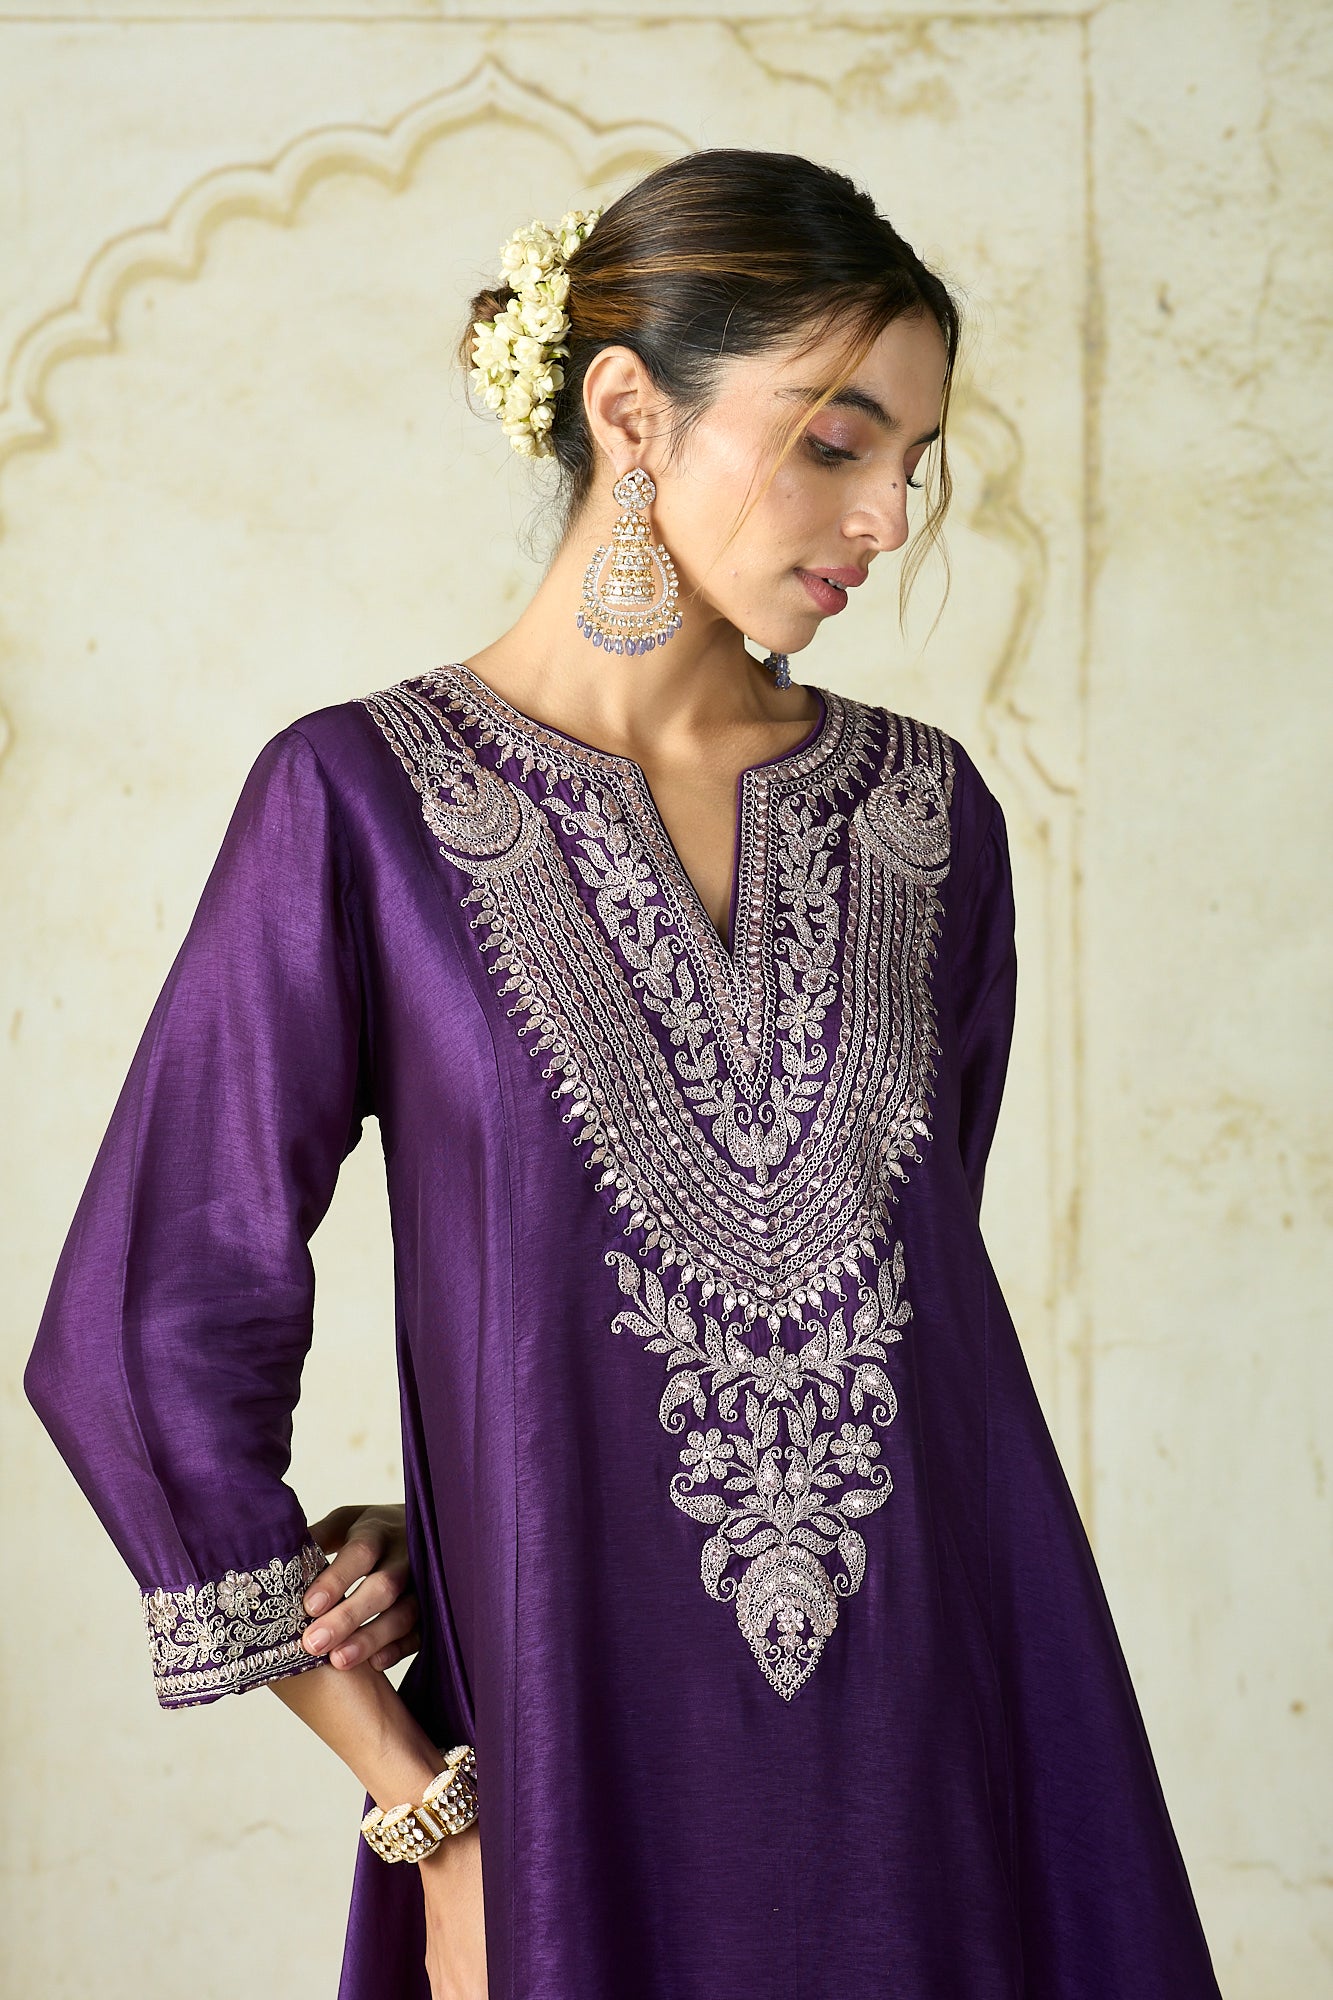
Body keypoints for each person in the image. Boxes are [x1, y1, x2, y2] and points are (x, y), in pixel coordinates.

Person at [23, 148, 1224, 2000]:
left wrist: (511, 1476)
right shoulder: (357, 805)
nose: (887, 518)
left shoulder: (927, 819)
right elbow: (139, 1330)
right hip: (568, 1771)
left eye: (915, 462)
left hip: (960, 1739)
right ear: (628, 413)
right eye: (836, 443)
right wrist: (424, 1801)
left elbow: (891, 1323)